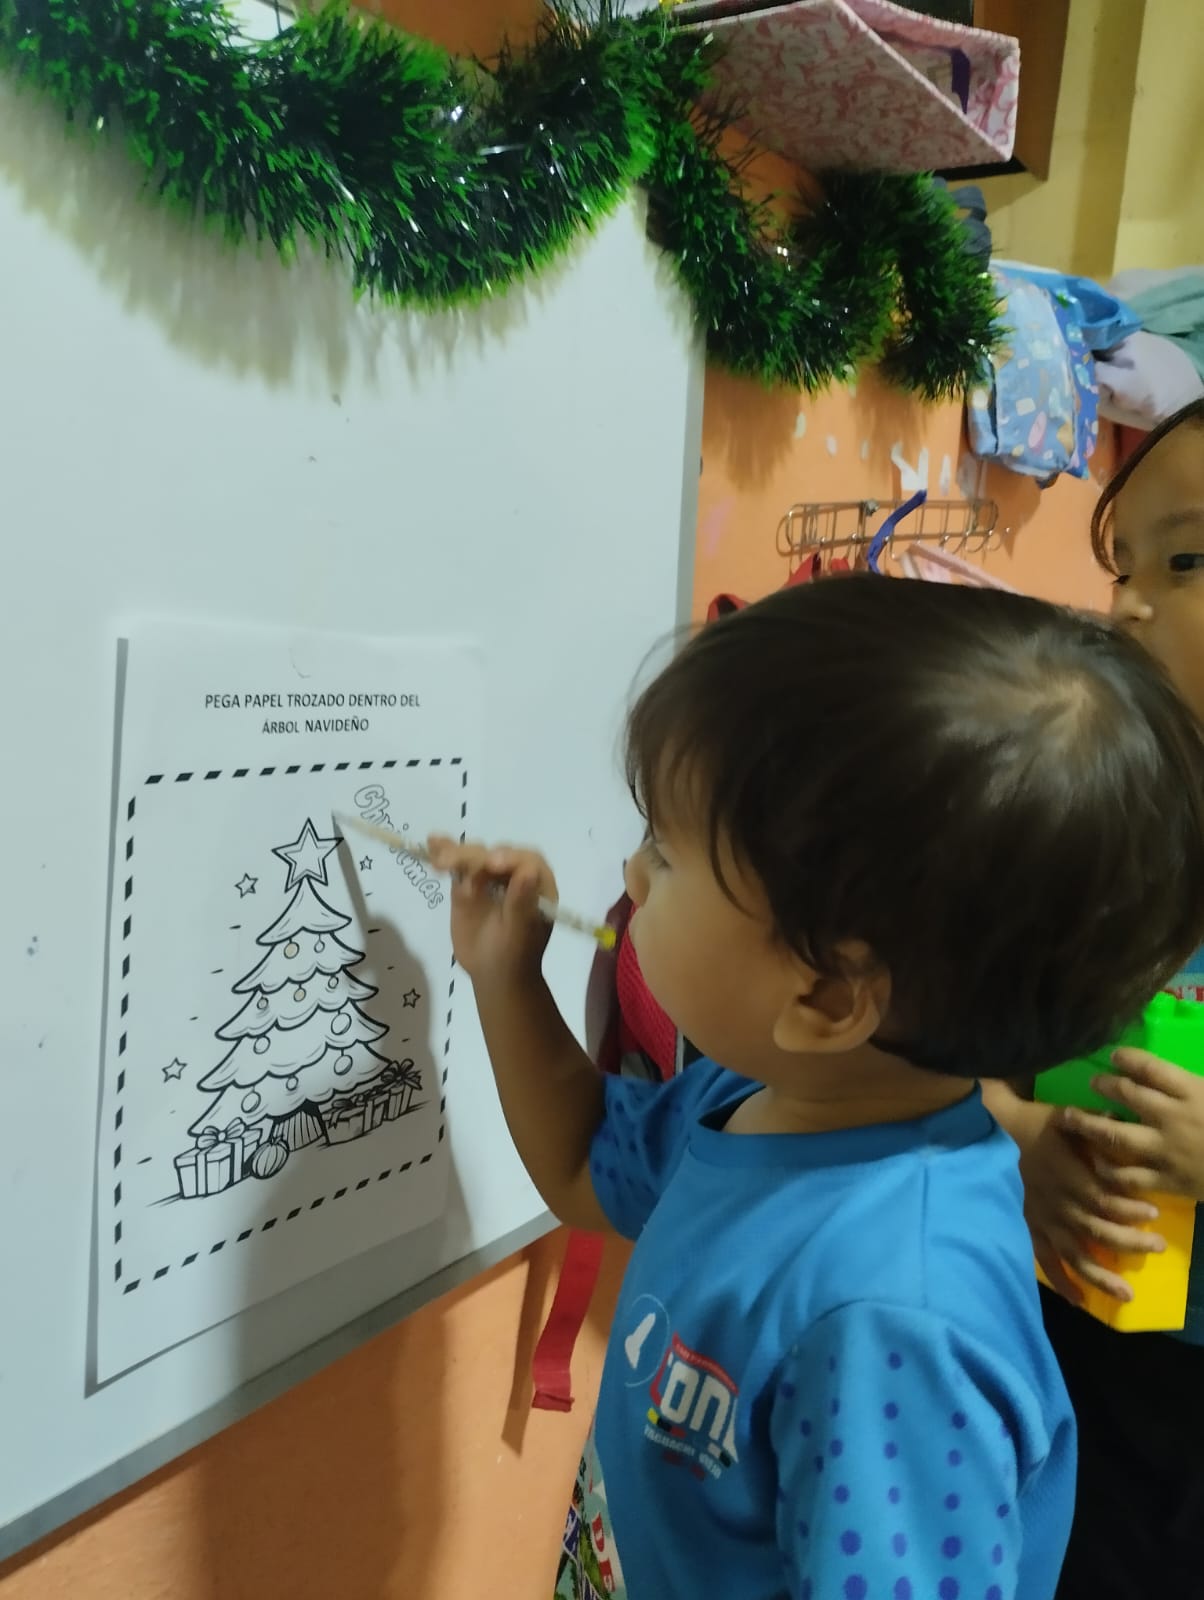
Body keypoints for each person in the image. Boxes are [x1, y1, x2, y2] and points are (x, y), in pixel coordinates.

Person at [429, 573, 1204, 1600]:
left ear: (829, 996)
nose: (631, 875)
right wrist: (506, 978)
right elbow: (580, 1165)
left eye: (666, 853)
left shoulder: (893, 1322)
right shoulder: (757, 1099)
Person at [984, 397, 1204, 1599]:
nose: (1125, 607)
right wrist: (1016, 1135)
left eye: (1186, 562)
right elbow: (947, 1048)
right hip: (1074, 1355)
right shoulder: (1091, 833)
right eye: (1122, 568)